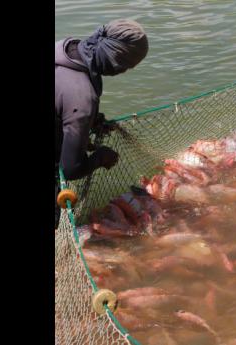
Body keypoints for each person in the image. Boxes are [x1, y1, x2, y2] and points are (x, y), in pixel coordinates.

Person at [55, 19, 149, 229]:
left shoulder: (67, 48)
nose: (125, 71)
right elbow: (70, 169)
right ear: (115, 57)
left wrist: (89, 121)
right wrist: (100, 157)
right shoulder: (82, 97)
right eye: (126, 65)